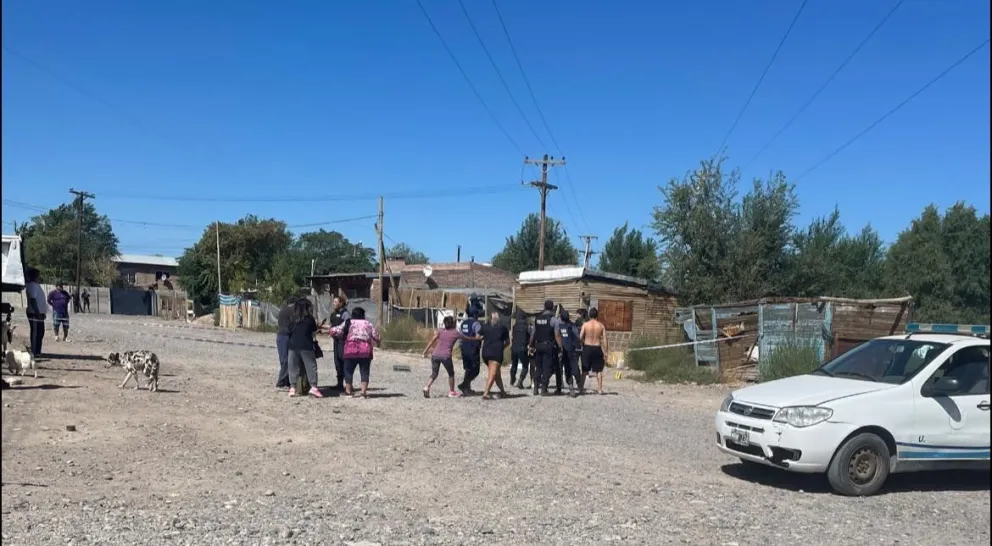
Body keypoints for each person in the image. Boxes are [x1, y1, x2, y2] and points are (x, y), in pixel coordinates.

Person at [331, 306, 380, 398]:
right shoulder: (368, 323)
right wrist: (378, 342)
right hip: (365, 350)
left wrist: (338, 335)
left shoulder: (348, 322)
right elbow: (376, 336)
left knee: (348, 371)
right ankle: (363, 393)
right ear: (363, 315)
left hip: (350, 349)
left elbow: (335, 331)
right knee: (364, 372)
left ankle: (348, 392)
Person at [286, 298, 323, 398]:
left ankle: (292, 388)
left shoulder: (293, 317)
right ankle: (313, 387)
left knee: (293, 367)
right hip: (306, 345)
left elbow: (289, 330)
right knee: (311, 366)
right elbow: (313, 332)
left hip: (293, 345)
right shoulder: (310, 318)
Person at [422, 316, 464, 398]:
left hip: (435, 355)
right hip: (445, 356)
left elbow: (432, 341)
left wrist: (425, 351)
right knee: (451, 373)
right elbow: (466, 337)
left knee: (434, 373)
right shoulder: (455, 333)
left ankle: (426, 387)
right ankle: (452, 392)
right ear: (452, 324)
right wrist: (476, 338)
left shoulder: (440, 331)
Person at [529, 299, 558, 396]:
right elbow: (557, 335)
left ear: (544, 307)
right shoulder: (553, 319)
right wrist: (560, 346)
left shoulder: (537, 319)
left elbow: (533, 334)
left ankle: (536, 387)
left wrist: (531, 345)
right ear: (552, 308)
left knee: (539, 367)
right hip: (548, 345)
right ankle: (544, 389)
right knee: (547, 368)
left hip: (538, 345)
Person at [479, 312, 510, 400]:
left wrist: (485, 338)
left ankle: (503, 392)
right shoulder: (503, 328)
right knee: (493, 373)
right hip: (496, 353)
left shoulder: (485, 326)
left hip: (485, 353)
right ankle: (486, 393)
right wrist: (502, 347)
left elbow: (478, 336)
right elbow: (508, 342)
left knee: (496, 373)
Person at [579, 307, 609, 395]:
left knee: (584, 370)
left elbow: (580, 337)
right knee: (599, 370)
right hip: (597, 347)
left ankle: (581, 389)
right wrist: (606, 352)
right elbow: (605, 339)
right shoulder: (601, 326)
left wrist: (583, 342)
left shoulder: (585, 325)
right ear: (597, 315)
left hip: (587, 347)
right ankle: (599, 389)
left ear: (589, 315)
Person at [556, 309, 583, 397]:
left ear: (561, 317)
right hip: (571, 350)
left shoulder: (558, 326)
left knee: (563, 369)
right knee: (574, 367)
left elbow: (556, 336)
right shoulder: (572, 325)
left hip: (562, 350)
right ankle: (579, 383)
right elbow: (578, 337)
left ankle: (568, 385)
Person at [457, 308, 484, 395]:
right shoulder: (476, 324)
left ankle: (467, 389)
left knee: (468, 369)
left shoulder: (463, 323)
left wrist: (460, 346)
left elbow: (460, 336)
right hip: (473, 348)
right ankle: (464, 385)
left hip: (464, 348)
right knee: (475, 370)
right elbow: (478, 336)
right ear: (475, 315)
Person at [275, 295, 298, 389]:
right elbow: (293, 324)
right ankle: (281, 382)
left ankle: (286, 381)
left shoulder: (283, 310)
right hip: (285, 336)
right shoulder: (290, 311)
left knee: (285, 359)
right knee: (286, 360)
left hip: (282, 336)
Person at [329, 295, 351, 390]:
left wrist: (339, 332)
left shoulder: (345, 314)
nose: (334, 303)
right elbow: (331, 326)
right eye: (333, 302)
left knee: (343, 360)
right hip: (336, 341)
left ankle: (348, 384)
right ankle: (339, 383)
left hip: (343, 341)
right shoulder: (333, 314)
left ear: (341, 303)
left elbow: (347, 326)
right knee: (337, 361)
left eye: (336, 302)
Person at [24, 268, 47, 357]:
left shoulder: (36, 285)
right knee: (36, 333)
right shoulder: (32, 285)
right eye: (38, 275)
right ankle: (34, 351)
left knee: (40, 332)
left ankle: (37, 351)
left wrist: (42, 313)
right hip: (34, 313)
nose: (39, 277)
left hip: (39, 313)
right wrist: (38, 313)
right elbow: (33, 300)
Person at [509, 308, 532, 388]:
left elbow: (513, 336)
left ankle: (512, 378)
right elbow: (530, 337)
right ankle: (520, 381)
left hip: (514, 348)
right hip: (522, 348)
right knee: (525, 365)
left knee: (514, 364)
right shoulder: (527, 326)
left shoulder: (515, 326)